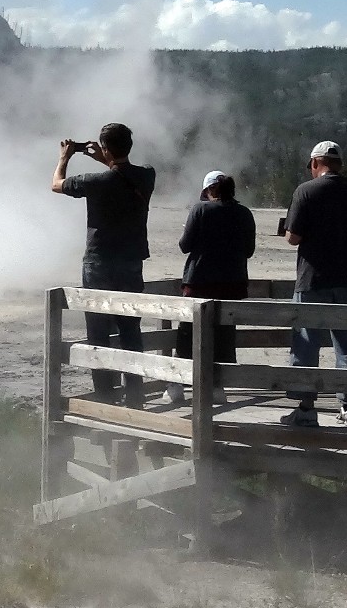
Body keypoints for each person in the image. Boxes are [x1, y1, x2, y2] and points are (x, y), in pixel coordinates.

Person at [53, 123, 157, 406]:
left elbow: (57, 184)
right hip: (132, 261)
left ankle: (104, 401)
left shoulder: (96, 182)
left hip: (99, 262)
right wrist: (105, 158)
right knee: (130, 331)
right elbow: (122, 172)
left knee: (98, 335)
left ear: (107, 148)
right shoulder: (147, 176)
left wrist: (65, 157)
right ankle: (136, 399)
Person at [281, 141, 347, 428]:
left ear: (314, 163)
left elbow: (293, 237)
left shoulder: (305, 191)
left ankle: (306, 408)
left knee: (307, 342)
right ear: (340, 165)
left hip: (313, 278)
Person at [171, 170, 256, 403]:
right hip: (233, 283)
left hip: (200, 281)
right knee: (224, 336)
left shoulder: (199, 210)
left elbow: (184, 245)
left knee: (187, 334)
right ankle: (219, 388)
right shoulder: (245, 213)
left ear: (209, 190)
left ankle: (177, 385)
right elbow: (249, 251)